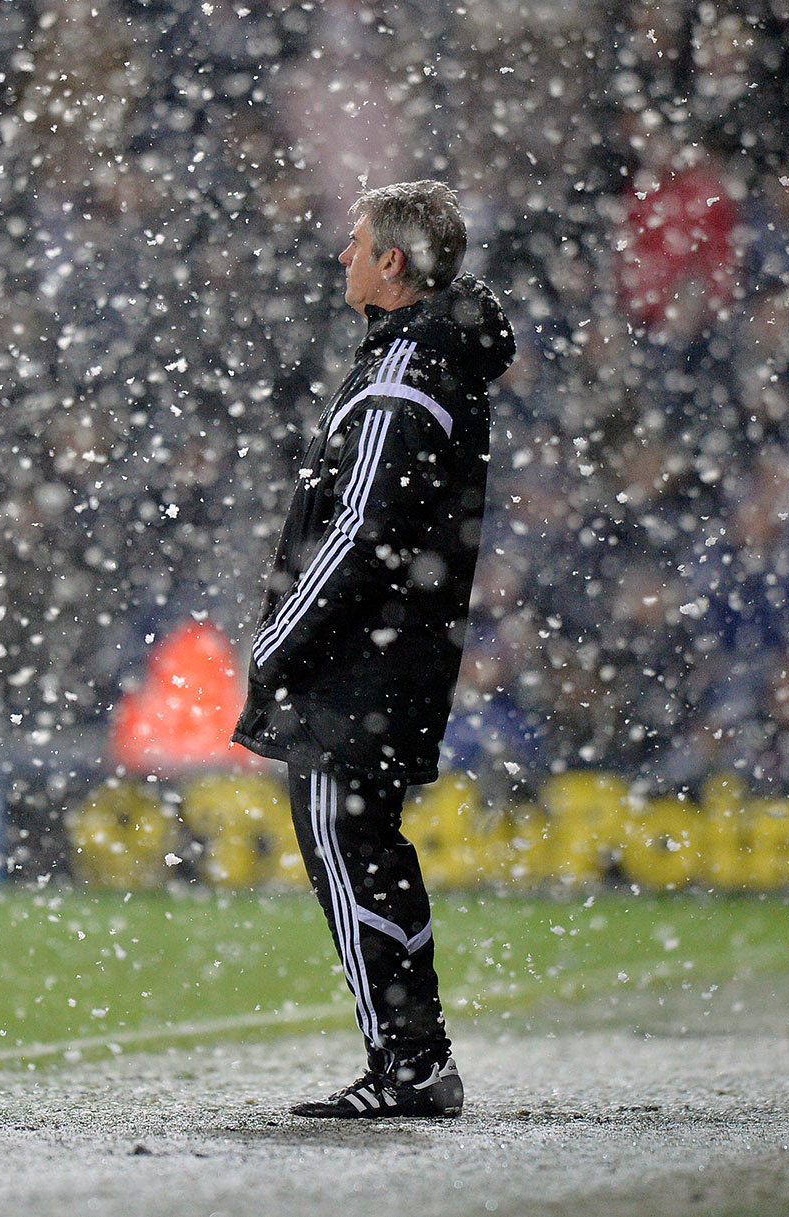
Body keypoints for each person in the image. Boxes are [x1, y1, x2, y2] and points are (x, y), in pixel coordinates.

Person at [231, 180, 517, 1119]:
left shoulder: (404, 374)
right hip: (392, 659)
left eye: (354, 245)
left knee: (348, 852)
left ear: (391, 263)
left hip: (357, 669)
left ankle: (407, 1063)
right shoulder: (430, 361)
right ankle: (414, 1057)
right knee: (369, 849)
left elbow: (359, 532)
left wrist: (278, 642)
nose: (341, 258)